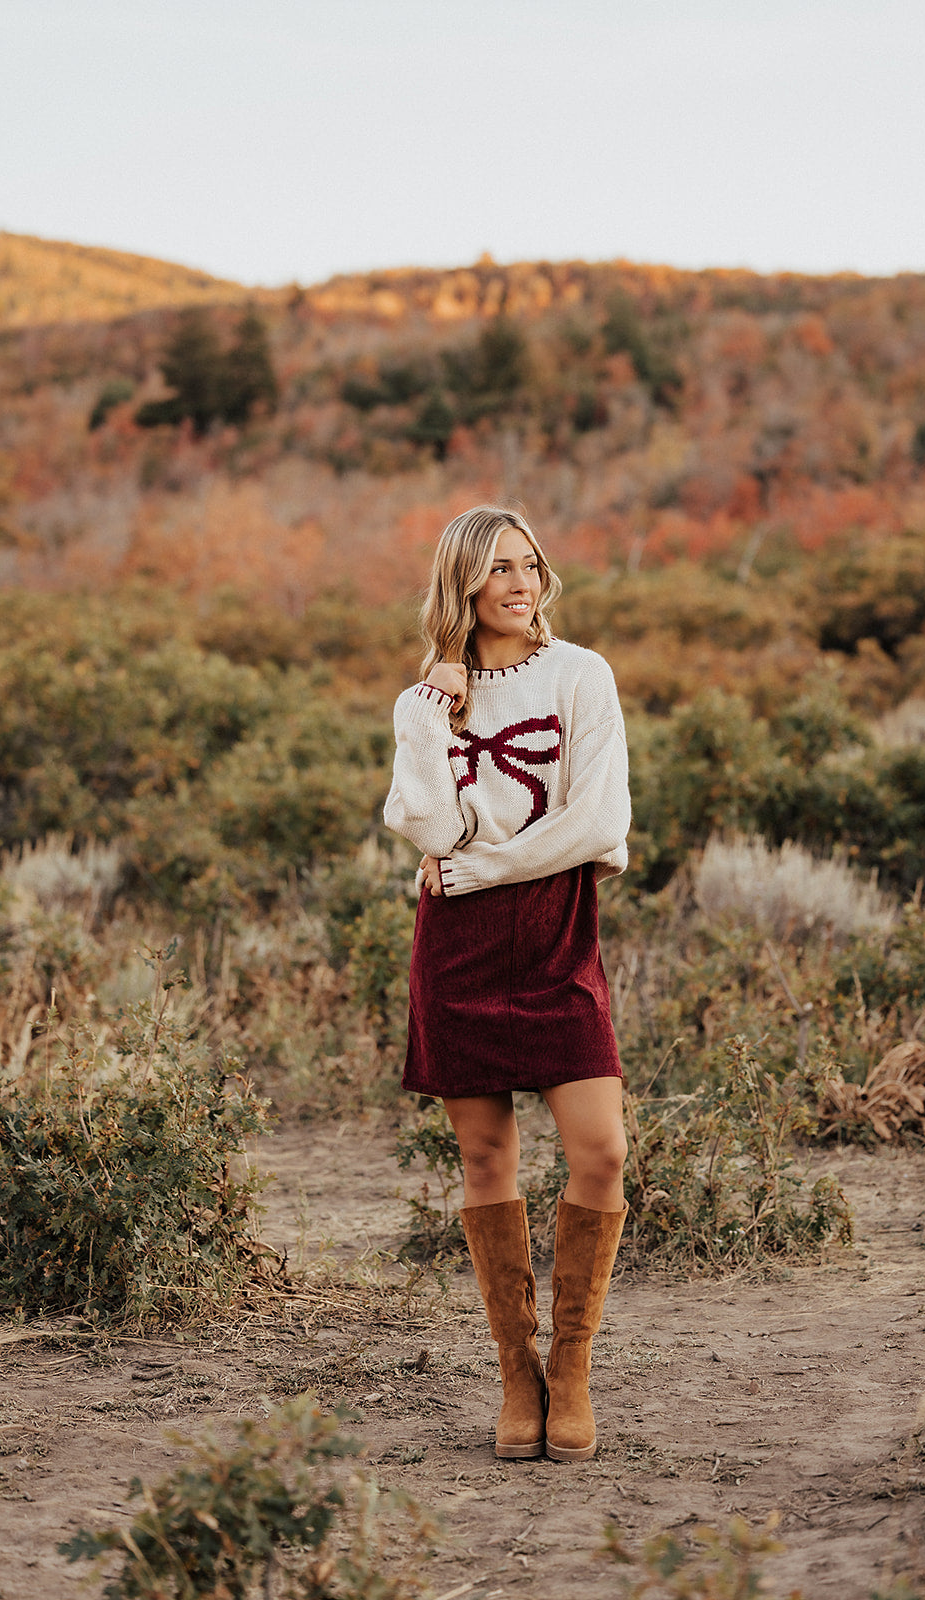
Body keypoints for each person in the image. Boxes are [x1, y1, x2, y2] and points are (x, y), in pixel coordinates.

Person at [384, 504, 630, 1463]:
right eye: (497, 571)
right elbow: (428, 828)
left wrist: (490, 868)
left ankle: (571, 1368)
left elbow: (598, 817)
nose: (520, 584)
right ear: (463, 587)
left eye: (528, 564)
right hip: (458, 946)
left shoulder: (580, 675)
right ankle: (517, 1377)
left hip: (555, 929)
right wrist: (425, 713)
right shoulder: (427, 700)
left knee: (600, 1151)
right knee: (486, 1162)